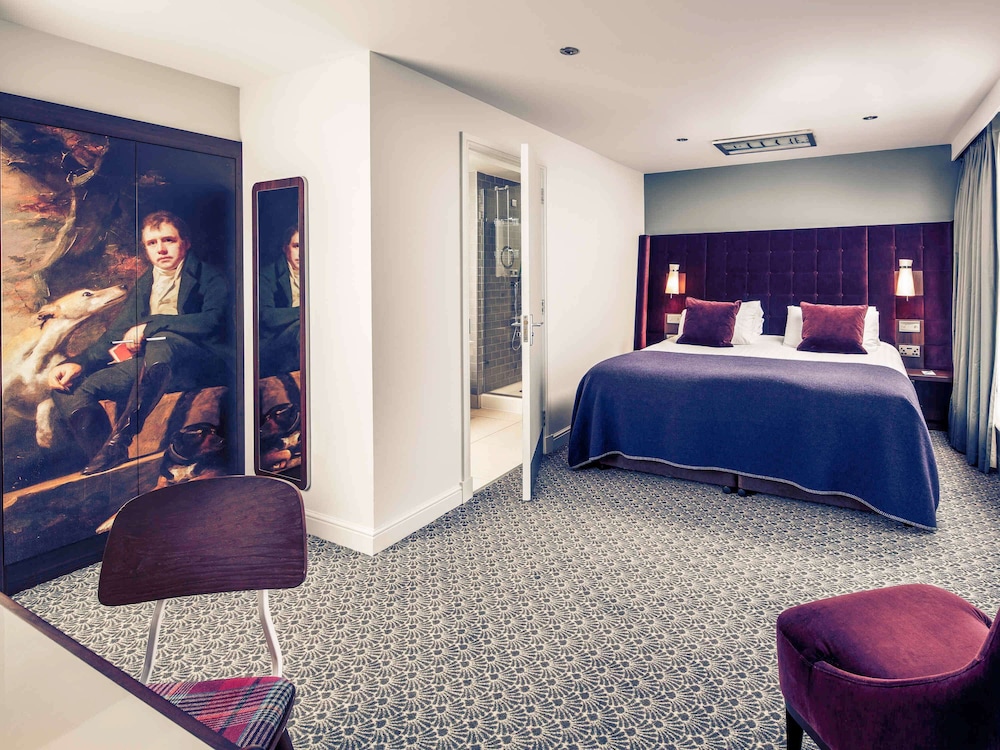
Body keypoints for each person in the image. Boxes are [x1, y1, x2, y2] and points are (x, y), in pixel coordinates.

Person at [48, 210, 231, 475]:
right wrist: (79, 363)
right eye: (152, 243)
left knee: (162, 342)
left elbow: (212, 322)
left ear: (186, 243)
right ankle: (105, 455)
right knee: (69, 388)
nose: (161, 249)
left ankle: (121, 439)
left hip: (201, 363)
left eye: (168, 240)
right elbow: (116, 332)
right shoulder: (146, 282)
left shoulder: (210, 277)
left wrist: (150, 326)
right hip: (154, 367)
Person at [258, 225, 302, 378]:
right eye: (296, 246)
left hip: (309, 337)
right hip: (274, 342)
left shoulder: (320, 274)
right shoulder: (267, 275)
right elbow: (267, 316)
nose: (302, 252)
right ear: (285, 248)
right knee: (302, 326)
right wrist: (304, 312)